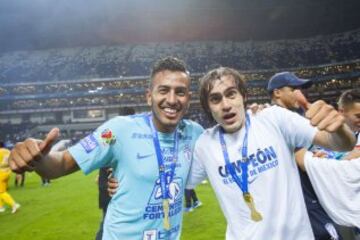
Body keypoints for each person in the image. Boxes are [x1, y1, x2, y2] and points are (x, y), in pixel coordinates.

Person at [8, 57, 204, 240]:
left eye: (180, 92)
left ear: (188, 98)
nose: (171, 99)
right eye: (163, 90)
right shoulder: (118, 130)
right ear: (149, 96)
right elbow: (62, 164)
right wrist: (39, 159)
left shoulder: (195, 134)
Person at [186, 67, 355, 240]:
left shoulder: (274, 119)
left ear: (243, 96)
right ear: (208, 106)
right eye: (215, 99)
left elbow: (343, 144)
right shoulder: (204, 145)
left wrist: (339, 129)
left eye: (231, 94)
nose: (226, 105)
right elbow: (178, 182)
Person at [267, 71, 343, 240]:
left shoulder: (294, 117)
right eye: (294, 88)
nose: (301, 93)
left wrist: (315, 154)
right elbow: (299, 159)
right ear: (277, 92)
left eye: (301, 89)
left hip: (309, 192)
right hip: (302, 196)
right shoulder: (273, 119)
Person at [0, 141, 20, 214]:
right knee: (2, 190)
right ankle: (1, 207)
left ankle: (14, 205)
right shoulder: (8, 151)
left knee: (1, 192)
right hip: (7, 172)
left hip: (1, 173)